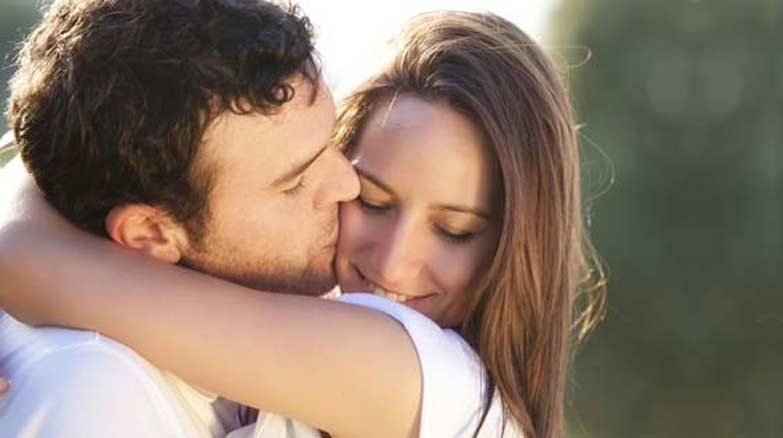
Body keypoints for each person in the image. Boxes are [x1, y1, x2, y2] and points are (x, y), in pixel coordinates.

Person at [0, 10, 606, 438]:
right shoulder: (116, 371)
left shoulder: (447, 392)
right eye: (371, 198)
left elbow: (30, 259)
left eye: (454, 231)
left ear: (517, 245)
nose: (393, 265)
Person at [0, 0, 360, 436]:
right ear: (150, 233)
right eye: (294, 183)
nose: (349, 185)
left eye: (332, 141)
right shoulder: (95, 397)